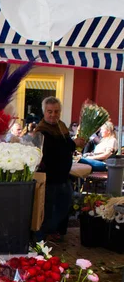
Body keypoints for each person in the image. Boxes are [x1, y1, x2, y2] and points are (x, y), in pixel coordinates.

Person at [36, 96, 85, 241]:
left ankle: (56, 231)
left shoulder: (61, 126)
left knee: (64, 205)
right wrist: (73, 144)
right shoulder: (41, 130)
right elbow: (53, 151)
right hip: (50, 177)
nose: (53, 115)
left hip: (63, 175)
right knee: (49, 207)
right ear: (44, 112)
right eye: (49, 111)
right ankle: (46, 234)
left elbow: (67, 144)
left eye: (56, 111)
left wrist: (77, 142)